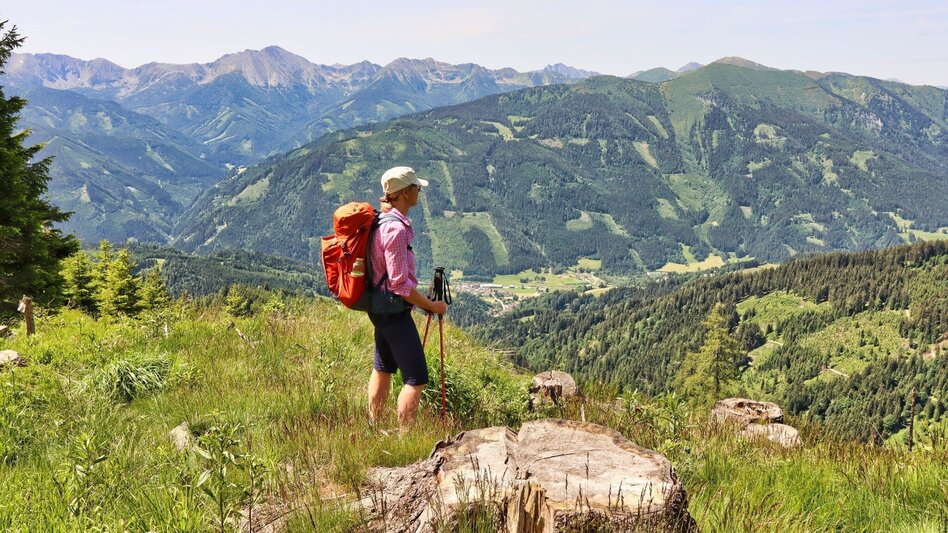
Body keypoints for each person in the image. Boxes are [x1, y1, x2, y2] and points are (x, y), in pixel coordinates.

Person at [367, 166, 448, 430]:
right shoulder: (397, 230)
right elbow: (400, 284)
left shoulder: (381, 220)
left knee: (383, 368)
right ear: (404, 193)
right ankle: (406, 437)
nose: (419, 191)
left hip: (379, 308)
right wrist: (432, 305)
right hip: (393, 311)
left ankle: (374, 427)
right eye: (416, 187)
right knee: (416, 378)